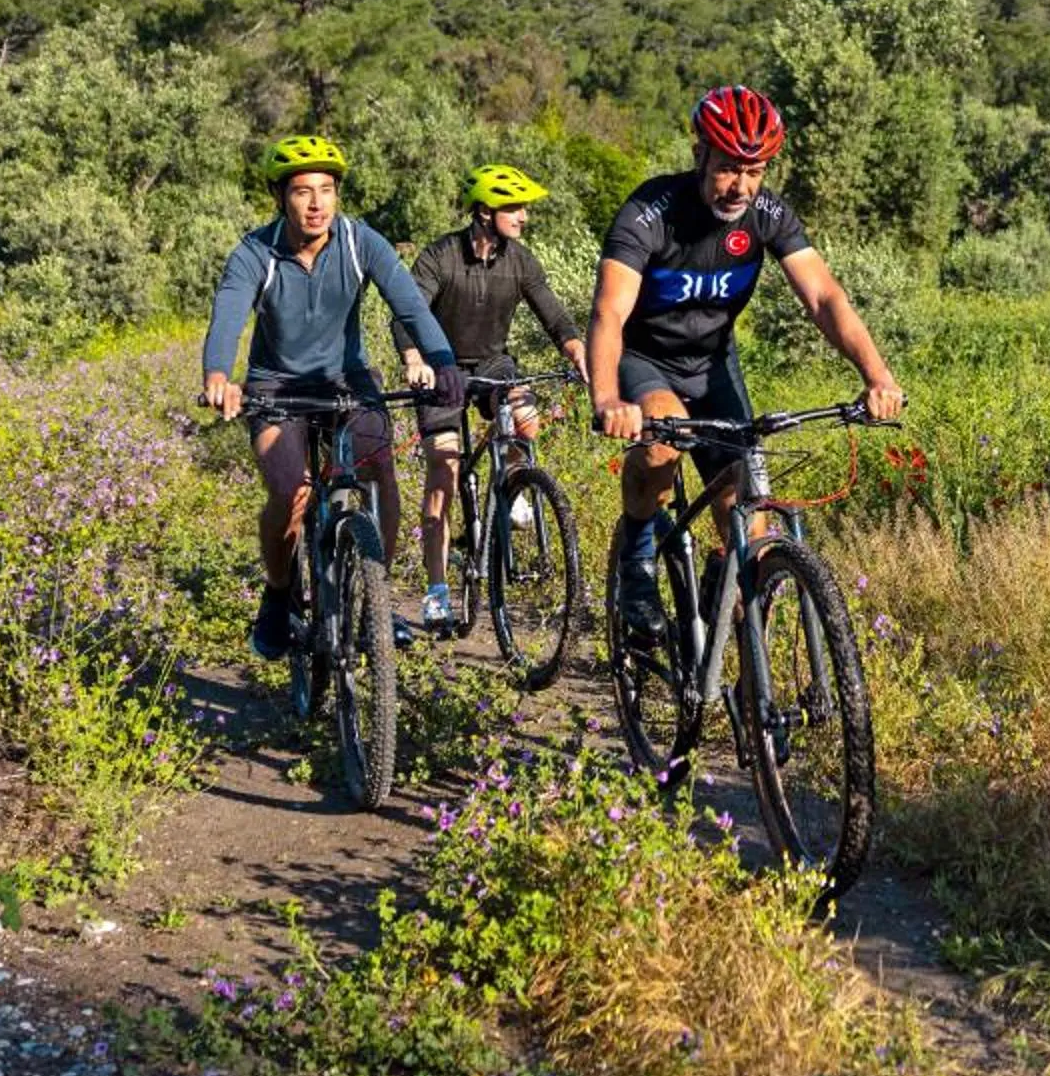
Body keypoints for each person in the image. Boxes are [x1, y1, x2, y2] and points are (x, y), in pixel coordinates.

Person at [589, 86, 903, 642]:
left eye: (754, 171)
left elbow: (825, 299)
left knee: (747, 517)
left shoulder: (766, 214)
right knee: (664, 441)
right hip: (646, 359)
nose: (742, 186)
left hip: (712, 363)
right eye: (730, 168)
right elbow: (610, 313)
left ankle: (740, 664)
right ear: (699, 155)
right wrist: (608, 399)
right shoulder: (650, 212)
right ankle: (636, 561)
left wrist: (876, 375)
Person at [203, 134, 464, 660]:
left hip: (347, 379)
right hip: (276, 385)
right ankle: (279, 597)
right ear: (282, 197)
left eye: (326, 189)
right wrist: (217, 375)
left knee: (380, 472)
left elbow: (409, 304)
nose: (317, 202)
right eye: (303, 191)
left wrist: (442, 359)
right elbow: (229, 313)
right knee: (292, 492)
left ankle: (375, 595)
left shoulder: (359, 241)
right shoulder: (256, 251)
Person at [407, 163, 590, 632]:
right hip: (440, 367)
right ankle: (437, 591)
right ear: (486, 211)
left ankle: (512, 490)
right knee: (443, 472)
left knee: (525, 416)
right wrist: (414, 357)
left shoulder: (520, 259)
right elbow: (407, 313)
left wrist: (577, 351)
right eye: (515, 206)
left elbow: (553, 314)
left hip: (492, 364)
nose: (524, 215)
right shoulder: (440, 256)